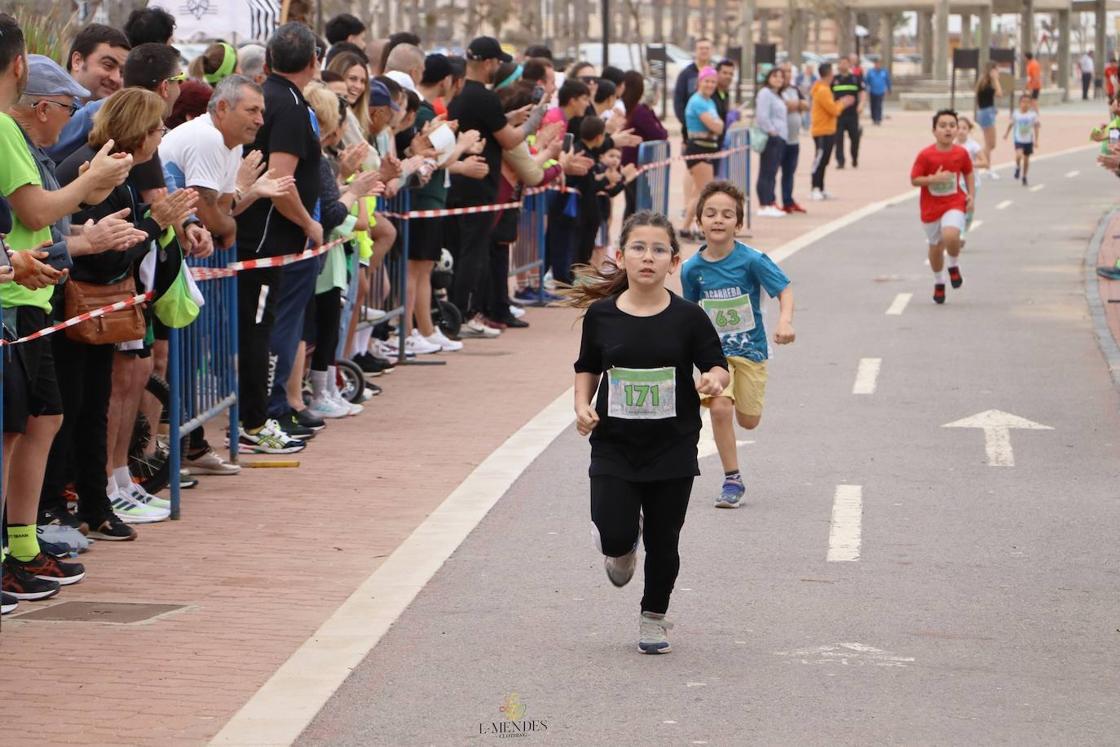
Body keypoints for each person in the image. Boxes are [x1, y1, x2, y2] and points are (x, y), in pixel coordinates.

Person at [0, 17, 135, 602]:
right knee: (14, 432)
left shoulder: (19, 139)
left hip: (26, 297)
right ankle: (15, 548)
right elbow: (36, 214)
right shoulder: (7, 132)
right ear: (21, 70)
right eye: (66, 104)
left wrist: (79, 230)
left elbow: (34, 229)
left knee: (39, 421)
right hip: (14, 307)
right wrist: (90, 187)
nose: (72, 116)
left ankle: (22, 545)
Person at [569, 210, 729, 655]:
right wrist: (582, 406)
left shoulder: (689, 318)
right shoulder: (601, 316)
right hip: (615, 445)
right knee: (613, 530)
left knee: (665, 539)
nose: (648, 257)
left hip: (672, 447)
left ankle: (653, 617)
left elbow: (717, 365)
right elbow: (587, 368)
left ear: (673, 262)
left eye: (659, 250)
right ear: (620, 256)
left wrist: (715, 380)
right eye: (638, 247)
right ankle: (622, 547)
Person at [54, 88, 198, 528]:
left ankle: (97, 505)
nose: (161, 137)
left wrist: (154, 227)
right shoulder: (99, 172)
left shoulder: (122, 171)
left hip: (102, 309)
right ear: (138, 131)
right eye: (157, 129)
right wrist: (155, 225)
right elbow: (108, 253)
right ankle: (63, 507)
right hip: (76, 307)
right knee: (71, 411)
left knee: (93, 406)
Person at [235, 22, 323, 454]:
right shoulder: (285, 105)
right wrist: (309, 223)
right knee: (259, 331)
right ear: (312, 62)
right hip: (265, 243)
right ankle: (256, 419)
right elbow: (280, 178)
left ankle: (260, 413)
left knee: (261, 328)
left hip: (262, 240)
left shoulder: (280, 97)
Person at [681, 181, 794, 508]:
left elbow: (784, 290)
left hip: (752, 351)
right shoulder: (691, 270)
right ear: (700, 220)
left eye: (727, 214)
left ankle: (736, 460)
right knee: (719, 407)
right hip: (713, 357)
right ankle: (733, 478)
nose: (718, 220)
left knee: (748, 420)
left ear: (738, 224)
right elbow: (687, 315)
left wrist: (784, 320)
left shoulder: (752, 261)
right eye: (711, 213)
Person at [447, 36, 545, 338]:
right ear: (489, 63)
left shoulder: (463, 94)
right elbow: (509, 140)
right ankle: (463, 312)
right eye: (498, 62)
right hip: (479, 186)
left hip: (461, 181)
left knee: (464, 249)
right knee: (473, 254)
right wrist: (532, 121)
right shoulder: (484, 96)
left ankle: (459, 310)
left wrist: (509, 118)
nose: (499, 68)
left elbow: (487, 123)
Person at [910, 109, 973, 304]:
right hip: (930, 208)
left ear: (956, 130)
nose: (948, 129)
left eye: (952, 126)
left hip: (954, 201)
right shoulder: (926, 155)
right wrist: (933, 179)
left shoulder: (961, 153)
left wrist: (971, 194)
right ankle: (939, 281)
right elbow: (914, 180)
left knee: (951, 234)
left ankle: (953, 265)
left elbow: (968, 172)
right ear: (934, 130)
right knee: (935, 247)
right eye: (943, 126)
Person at [681, 67, 724, 238]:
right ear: (700, 82)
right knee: (704, 193)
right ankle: (697, 227)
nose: (710, 85)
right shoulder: (697, 101)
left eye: (713, 82)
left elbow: (720, 126)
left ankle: (686, 227)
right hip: (698, 149)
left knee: (698, 192)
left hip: (707, 149)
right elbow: (715, 126)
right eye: (707, 81)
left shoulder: (710, 101)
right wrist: (716, 126)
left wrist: (717, 126)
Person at [620, 70, 667, 218]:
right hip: (633, 163)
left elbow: (662, 131)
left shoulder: (645, 110)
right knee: (638, 203)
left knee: (634, 203)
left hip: (638, 164)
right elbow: (659, 133)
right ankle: (629, 236)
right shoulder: (640, 111)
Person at [809, 63, 855, 200]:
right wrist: (843, 103)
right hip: (821, 130)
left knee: (825, 161)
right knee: (819, 159)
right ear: (829, 74)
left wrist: (839, 103)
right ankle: (815, 187)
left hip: (828, 129)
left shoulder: (826, 89)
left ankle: (821, 187)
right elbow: (833, 110)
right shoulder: (823, 90)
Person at [65, 23, 131, 103]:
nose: (116, 79)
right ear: (77, 61)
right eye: (108, 65)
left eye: (122, 73)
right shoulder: (49, 108)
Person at [754, 68, 787, 218]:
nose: (778, 79)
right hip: (771, 137)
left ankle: (770, 201)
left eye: (781, 77)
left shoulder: (777, 95)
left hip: (780, 137)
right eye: (775, 76)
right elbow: (762, 116)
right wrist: (772, 131)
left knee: (772, 172)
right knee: (766, 171)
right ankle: (764, 203)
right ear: (768, 78)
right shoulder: (765, 93)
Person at [778, 62, 808, 214]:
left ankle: (788, 201)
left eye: (789, 71)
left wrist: (795, 105)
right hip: (779, 140)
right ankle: (769, 202)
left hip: (794, 140)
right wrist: (796, 105)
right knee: (771, 173)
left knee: (789, 173)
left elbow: (805, 105)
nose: (787, 74)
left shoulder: (795, 89)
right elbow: (784, 106)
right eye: (784, 71)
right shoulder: (776, 90)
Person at [955, 116, 987, 248]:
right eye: (959, 128)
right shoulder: (952, 145)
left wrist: (969, 164)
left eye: (964, 128)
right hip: (957, 183)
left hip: (972, 183)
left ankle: (964, 230)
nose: (961, 131)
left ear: (969, 130)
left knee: (969, 210)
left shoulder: (973, 145)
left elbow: (985, 162)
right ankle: (960, 234)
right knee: (959, 209)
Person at [831, 55, 864, 169]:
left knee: (855, 138)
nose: (843, 65)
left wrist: (861, 104)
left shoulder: (855, 78)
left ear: (850, 65)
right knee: (838, 139)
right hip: (838, 115)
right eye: (841, 63)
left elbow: (862, 92)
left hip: (852, 114)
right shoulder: (834, 80)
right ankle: (840, 161)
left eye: (846, 63)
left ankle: (854, 157)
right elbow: (829, 95)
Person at [975, 62, 1003, 179]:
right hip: (986, 114)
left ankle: (985, 166)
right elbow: (999, 93)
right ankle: (982, 164)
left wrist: (993, 109)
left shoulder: (983, 83)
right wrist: (996, 79)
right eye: (997, 70)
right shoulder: (986, 84)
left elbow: (984, 100)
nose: (999, 72)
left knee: (990, 144)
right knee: (990, 144)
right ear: (992, 71)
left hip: (986, 112)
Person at [1005, 93, 1040, 186]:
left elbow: (1036, 127)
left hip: (1028, 140)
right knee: (1019, 155)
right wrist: (1006, 134)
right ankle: (1017, 167)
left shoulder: (1032, 115)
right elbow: (1011, 124)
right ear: (1020, 103)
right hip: (1018, 139)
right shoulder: (1016, 114)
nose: (1025, 104)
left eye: (1028, 102)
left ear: (1030, 104)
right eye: (1023, 102)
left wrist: (1036, 140)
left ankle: (1024, 176)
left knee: (1026, 159)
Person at [865, 58, 890, 125]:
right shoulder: (870, 72)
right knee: (873, 105)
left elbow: (887, 81)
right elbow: (866, 81)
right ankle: (873, 118)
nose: (878, 65)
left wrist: (889, 89)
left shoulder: (884, 72)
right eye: (876, 64)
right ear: (874, 64)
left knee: (879, 105)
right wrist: (865, 90)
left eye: (879, 64)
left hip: (880, 91)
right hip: (872, 91)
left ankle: (878, 119)